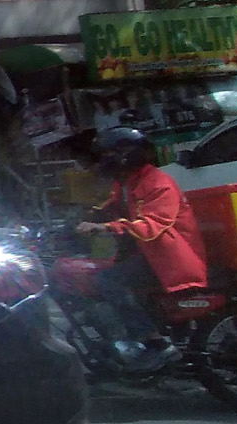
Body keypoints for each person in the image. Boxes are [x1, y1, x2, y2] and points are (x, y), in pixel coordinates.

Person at [77, 126, 208, 370]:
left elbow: (153, 224)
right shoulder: (126, 183)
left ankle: (154, 341)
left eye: (108, 154)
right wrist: (78, 222)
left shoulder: (159, 182)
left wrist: (103, 228)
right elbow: (109, 206)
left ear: (125, 155)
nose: (103, 161)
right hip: (146, 253)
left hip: (169, 258)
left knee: (107, 280)